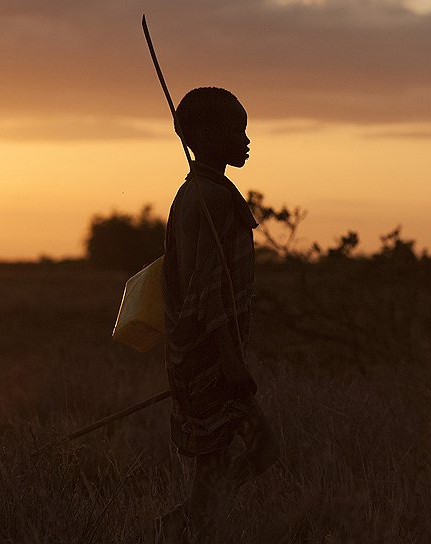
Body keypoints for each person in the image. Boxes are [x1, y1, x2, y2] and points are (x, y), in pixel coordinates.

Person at [157, 87, 279, 543]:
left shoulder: (194, 193)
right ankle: (180, 525)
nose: (245, 140)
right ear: (204, 136)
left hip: (197, 354)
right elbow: (208, 294)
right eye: (235, 131)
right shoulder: (209, 199)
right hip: (211, 356)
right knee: (262, 447)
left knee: (215, 462)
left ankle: (187, 523)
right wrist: (232, 365)